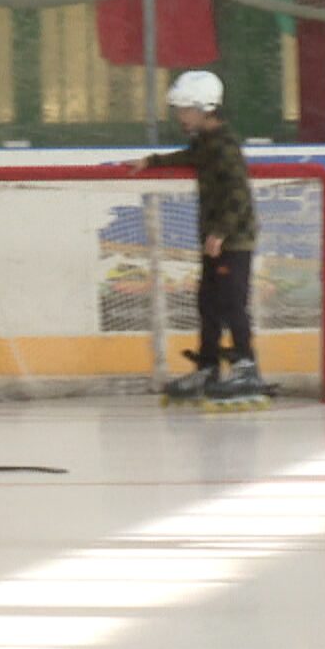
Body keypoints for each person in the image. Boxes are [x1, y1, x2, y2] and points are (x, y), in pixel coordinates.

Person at [127, 70, 270, 404]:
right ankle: (208, 366)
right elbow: (189, 156)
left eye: (185, 110)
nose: (180, 117)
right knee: (207, 303)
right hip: (215, 239)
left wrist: (221, 232)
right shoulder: (206, 143)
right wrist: (151, 161)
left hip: (233, 241)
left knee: (232, 304)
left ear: (205, 108)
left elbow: (238, 194)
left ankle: (248, 367)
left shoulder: (225, 145)